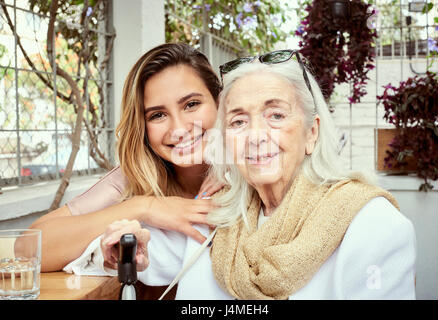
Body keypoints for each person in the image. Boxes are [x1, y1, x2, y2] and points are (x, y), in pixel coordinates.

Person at [65, 50, 416, 300]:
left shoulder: (371, 224)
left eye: (276, 115)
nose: (255, 135)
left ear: (312, 133)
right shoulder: (215, 216)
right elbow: (125, 255)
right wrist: (118, 249)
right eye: (238, 121)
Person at [29, 43, 224, 272]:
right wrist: (144, 206)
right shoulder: (135, 176)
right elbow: (28, 249)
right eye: (157, 115)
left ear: (220, 103)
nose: (179, 128)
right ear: (142, 127)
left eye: (191, 104)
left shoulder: (254, 161)